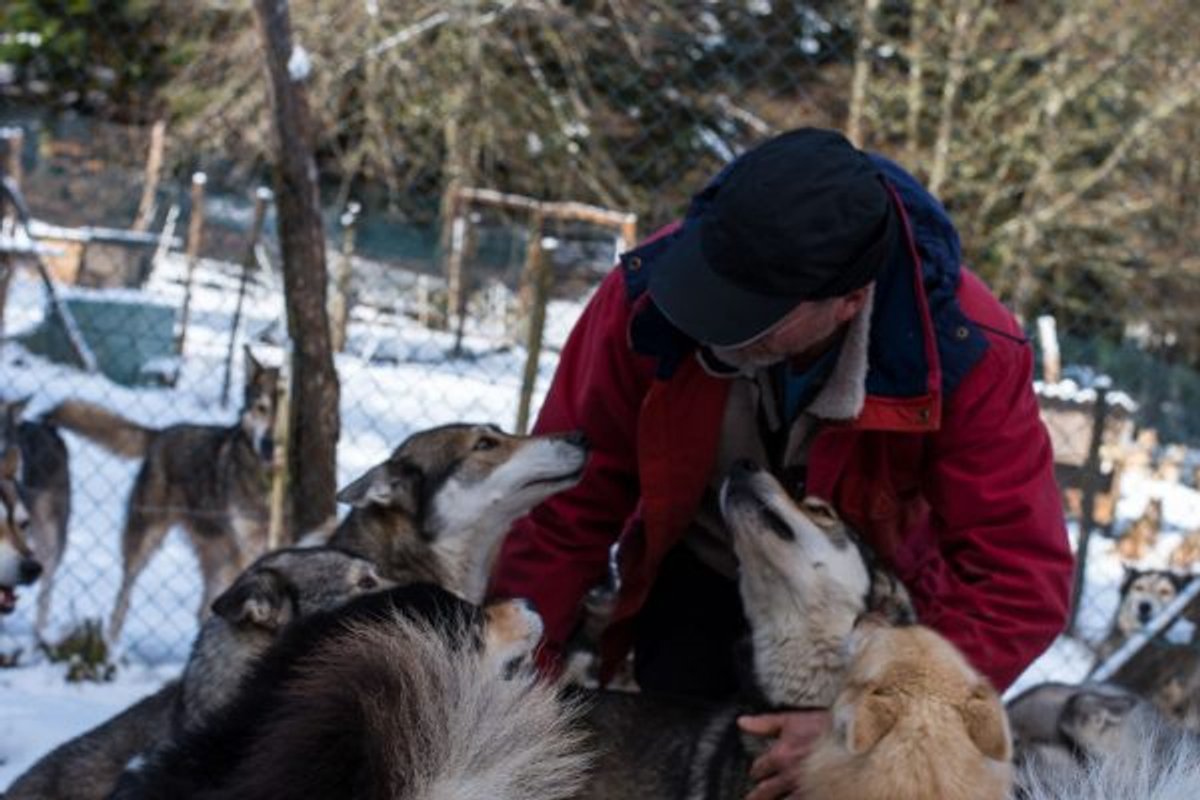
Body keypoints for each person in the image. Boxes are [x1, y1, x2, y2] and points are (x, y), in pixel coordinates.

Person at [490, 128, 1073, 799]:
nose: (708, 318)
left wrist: (862, 725)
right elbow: (564, 510)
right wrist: (512, 686)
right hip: (701, 573)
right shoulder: (651, 295)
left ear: (849, 301)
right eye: (711, 285)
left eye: (752, 313)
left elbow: (1018, 577)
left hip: (863, 627)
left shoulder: (971, 353)